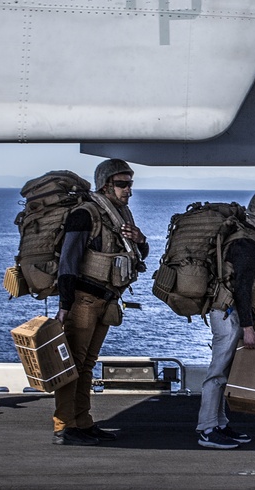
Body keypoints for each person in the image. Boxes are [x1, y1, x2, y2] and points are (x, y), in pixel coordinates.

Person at [53, 159, 149, 445]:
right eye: (122, 184)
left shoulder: (121, 216)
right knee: (74, 365)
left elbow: (138, 253)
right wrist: (64, 306)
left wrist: (140, 239)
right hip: (83, 300)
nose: (128, 190)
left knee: (87, 364)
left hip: (106, 300)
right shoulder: (85, 214)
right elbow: (68, 263)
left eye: (130, 183)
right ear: (106, 185)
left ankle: (83, 422)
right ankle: (64, 426)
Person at [196, 189, 255, 450]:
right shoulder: (247, 242)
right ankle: (206, 429)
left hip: (233, 313)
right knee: (217, 373)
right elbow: (242, 287)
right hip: (229, 314)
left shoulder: (254, 239)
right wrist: (248, 327)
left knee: (226, 373)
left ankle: (220, 424)